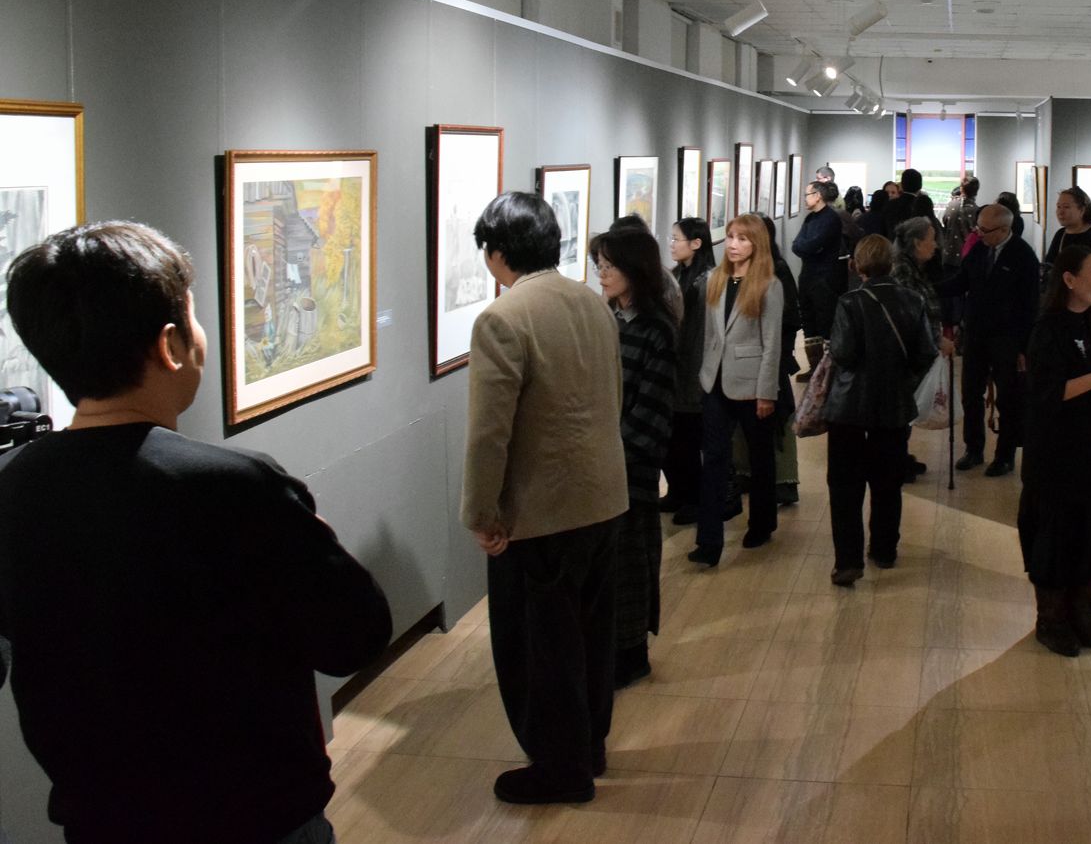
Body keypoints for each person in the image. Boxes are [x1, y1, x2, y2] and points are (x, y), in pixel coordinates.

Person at [0, 221, 391, 843]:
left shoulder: (15, 489)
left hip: (100, 823)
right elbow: (355, 637)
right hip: (254, 820)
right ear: (170, 345)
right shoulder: (236, 487)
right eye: (194, 316)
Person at [463, 191, 627, 805]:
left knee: (542, 648)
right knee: (591, 636)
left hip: (542, 511)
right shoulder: (591, 302)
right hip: (603, 497)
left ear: (497, 252)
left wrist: (482, 513)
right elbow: (610, 396)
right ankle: (589, 748)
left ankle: (561, 769)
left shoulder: (502, 318)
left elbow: (489, 433)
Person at [1020, 245, 1091, 657]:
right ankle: (1050, 619)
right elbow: (1045, 393)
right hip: (1056, 451)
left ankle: (1079, 609)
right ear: (1069, 280)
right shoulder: (1047, 329)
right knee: (1056, 533)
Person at [822, 234, 938, 586]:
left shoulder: (849, 302)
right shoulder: (913, 300)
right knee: (888, 482)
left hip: (849, 407)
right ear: (890, 263)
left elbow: (843, 353)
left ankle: (848, 561)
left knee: (845, 486)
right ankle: (885, 549)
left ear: (857, 265)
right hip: (893, 406)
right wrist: (903, 378)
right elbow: (926, 352)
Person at [590, 229, 678, 689]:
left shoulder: (656, 329)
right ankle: (612, 650)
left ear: (634, 270)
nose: (602, 275)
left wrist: (614, 455)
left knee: (631, 562)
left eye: (610, 266)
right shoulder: (607, 319)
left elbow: (651, 411)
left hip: (632, 465)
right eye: (599, 266)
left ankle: (631, 655)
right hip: (602, 461)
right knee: (608, 565)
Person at [692, 213, 784, 566]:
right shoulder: (715, 279)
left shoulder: (768, 285)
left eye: (742, 238)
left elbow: (772, 343)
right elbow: (709, 335)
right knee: (714, 458)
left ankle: (762, 522)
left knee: (760, 457)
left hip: (751, 384)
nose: (733, 244)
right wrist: (704, 376)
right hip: (715, 381)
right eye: (730, 236)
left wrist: (766, 392)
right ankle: (709, 541)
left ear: (756, 244)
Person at [940, 204, 1039, 477]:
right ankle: (973, 449)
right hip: (976, 335)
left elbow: (1030, 306)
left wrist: (1024, 347)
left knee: (1007, 398)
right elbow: (961, 281)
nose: (979, 233)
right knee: (971, 393)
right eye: (978, 228)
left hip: (1007, 339)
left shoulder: (1023, 256)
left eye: (985, 230)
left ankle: (1004, 456)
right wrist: (929, 288)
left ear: (1005, 229)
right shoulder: (979, 249)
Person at [662, 217, 717, 525]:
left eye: (676, 239)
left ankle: (694, 498)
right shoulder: (676, 276)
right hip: (676, 366)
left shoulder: (708, 281)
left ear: (696, 243)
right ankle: (678, 491)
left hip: (694, 369)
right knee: (673, 437)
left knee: (689, 438)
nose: (671, 244)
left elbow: (703, 333)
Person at [891, 216, 955, 480]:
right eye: (931, 239)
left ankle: (899, 457)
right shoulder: (903, 271)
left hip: (915, 350)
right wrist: (937, 339)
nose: (936, 245)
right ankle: (895, 462)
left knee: (906, 407)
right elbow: (910, 314)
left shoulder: (913, 267)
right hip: (906, 352)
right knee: (902, 408)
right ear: (917, 243)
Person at [758, 212, 804, 508]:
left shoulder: (778, 269)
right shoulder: (741, 272)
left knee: (779, 417)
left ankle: (785, 481)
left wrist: (779, 354)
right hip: (750, 361)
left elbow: (789, 318)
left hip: (773, 359)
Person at [792, 179, 845, 383]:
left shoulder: (831, 219)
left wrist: (806, 247)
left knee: (825, 324)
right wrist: (807, 248)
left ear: (818, 196)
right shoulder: (810, 218)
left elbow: (812, 245)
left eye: (807, 194)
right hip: (807, 277)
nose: (805, 198)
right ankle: (814, 368)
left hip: (825, 280)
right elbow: (797, 245)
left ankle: (828, 371)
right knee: (809, 323)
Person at [1043, 187, 1091, 275]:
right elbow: (1049, 265)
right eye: (1058, 207)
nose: (1060, 212)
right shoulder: (1060, 234)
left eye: (1066, 207)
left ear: (1082, 210)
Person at [942, 176, 980, 270]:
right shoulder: (977, 211)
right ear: (976, 191)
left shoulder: (951, 205)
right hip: (968, 258)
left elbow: (945, 222)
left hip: (949, 255)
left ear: (961, 189)